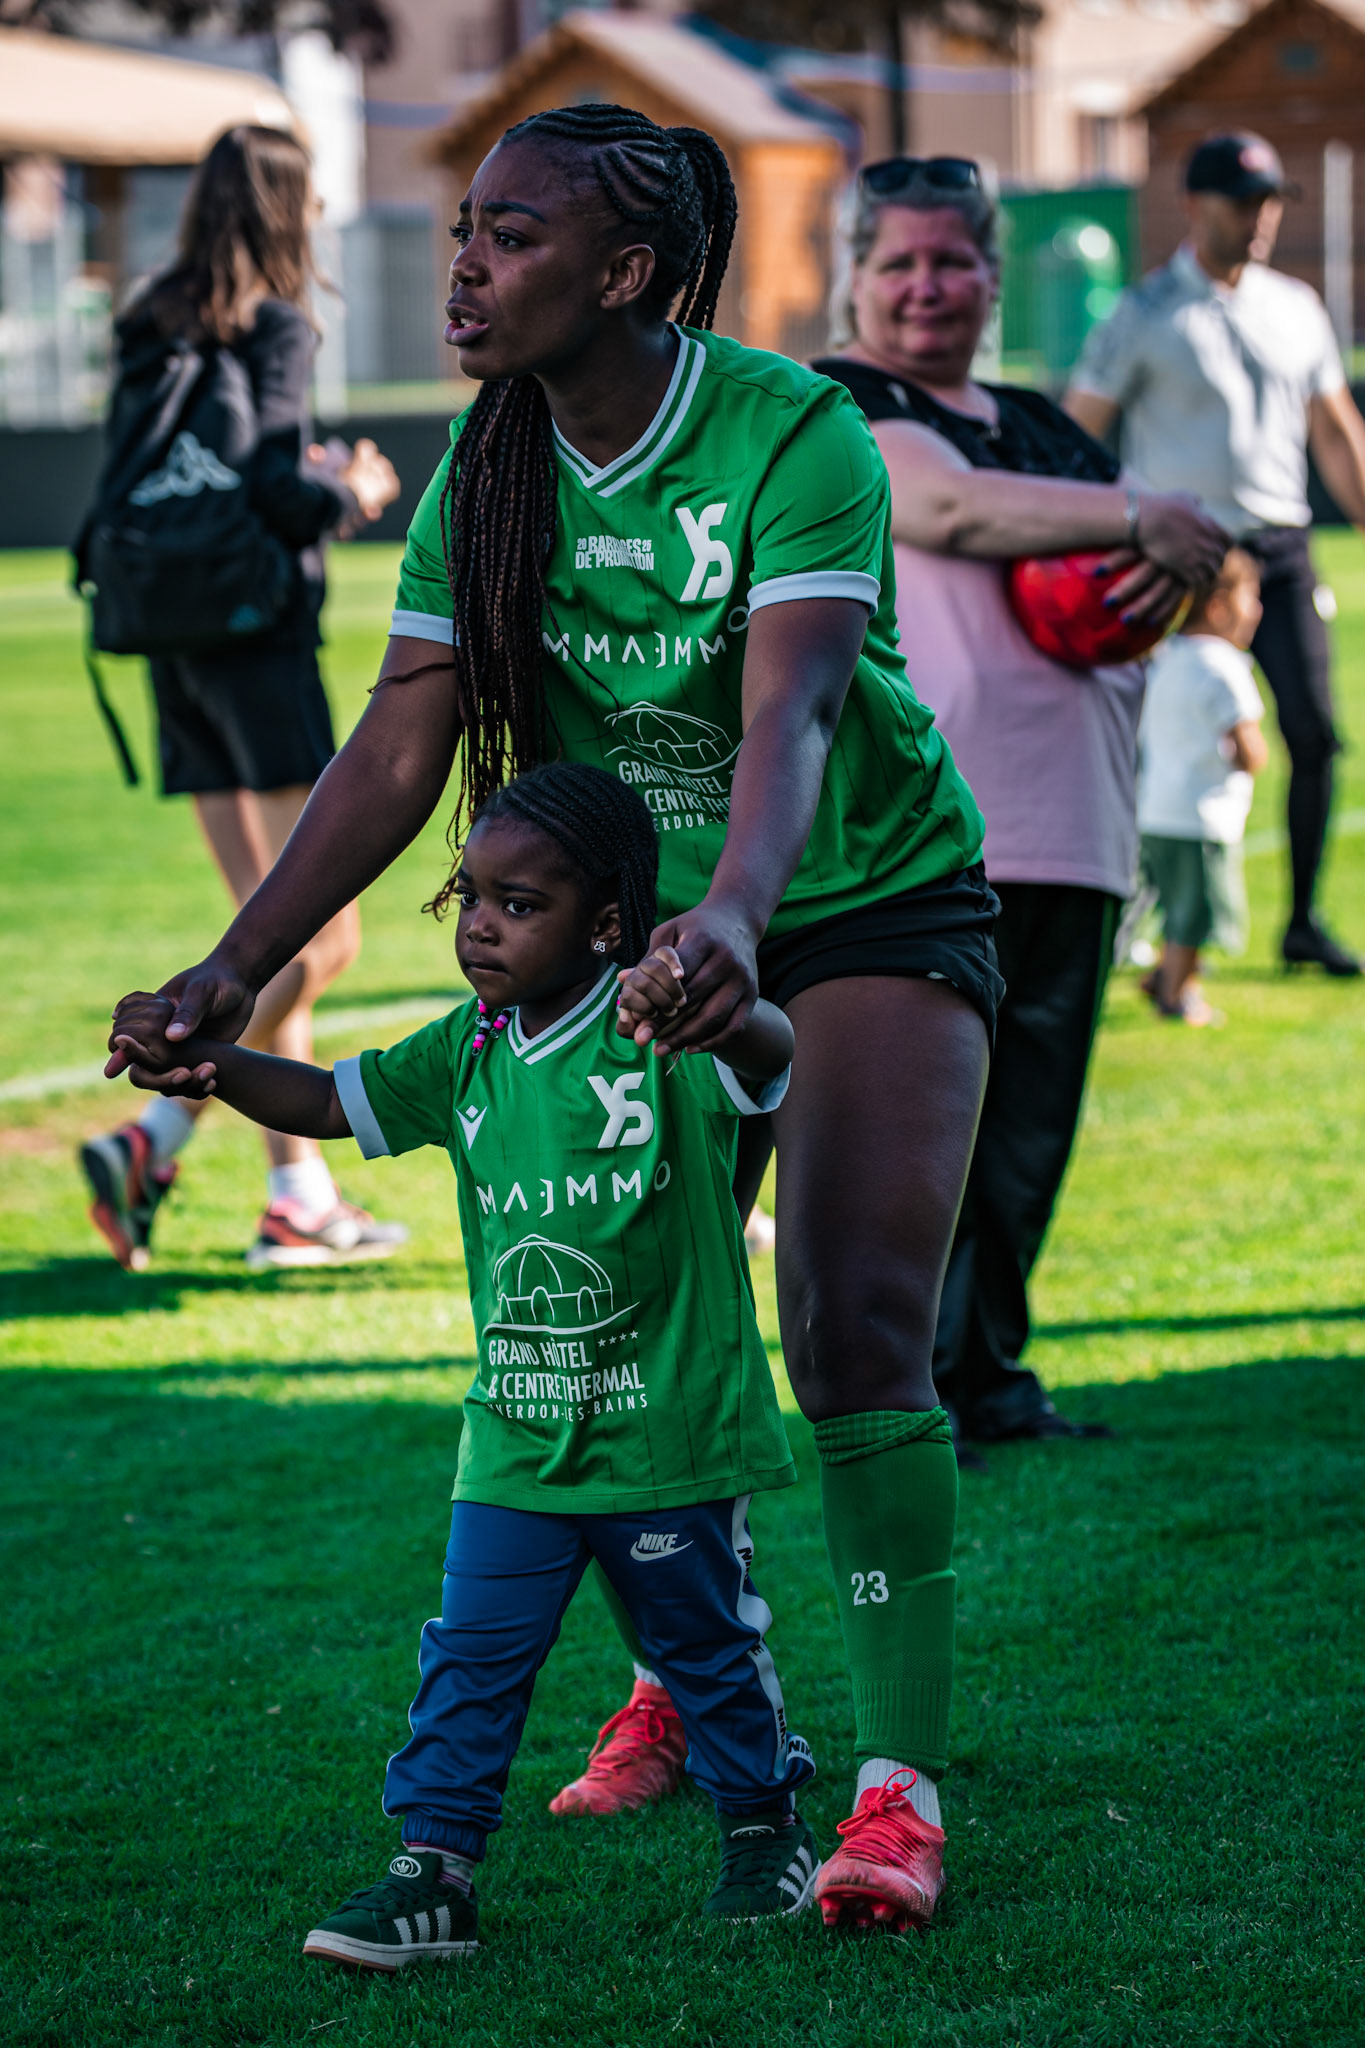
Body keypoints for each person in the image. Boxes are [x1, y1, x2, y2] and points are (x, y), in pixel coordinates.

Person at [108, 104, 1000, 1933]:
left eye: (512, 240)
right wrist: (236, 963)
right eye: (463, 233)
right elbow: (401, 737)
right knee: (645, 1313)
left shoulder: (791, 430)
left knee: (847, 1318)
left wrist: (739, 915)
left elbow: (800, 716)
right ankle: (698, 1684)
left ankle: (897, 1794)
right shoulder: (489, 462)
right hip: (656, 926)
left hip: (858, 896)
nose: (465, 269)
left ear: (627, 272)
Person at [110, 762, 829, 1961]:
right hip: (516, 1436)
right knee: (470, 1657)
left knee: (706, 1646)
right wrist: (209, 1066)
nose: (482, 925)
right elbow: (333, 1102)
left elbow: (771, 1054)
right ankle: (432, 1869)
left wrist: (726, 997)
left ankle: (765, 1822)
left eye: (519, 903)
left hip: (668, 1429)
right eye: (470, 898)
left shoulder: (664, 1031)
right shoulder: (468, 1049)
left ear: (606, 922)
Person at [809, 157, 1229, 1451]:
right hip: (927, 839)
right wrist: (1148, 514)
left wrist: (1192, 571)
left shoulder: (1046, 421)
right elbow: (946, 506)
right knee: (924, 1137)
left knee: (1027, 1140)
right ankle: (903, 1395)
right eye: (900, 263)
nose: (928, 286)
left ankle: (988, 1378)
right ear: (857, 280)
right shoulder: (839, 405)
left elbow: (1154, 579)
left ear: (994, 276)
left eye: (952, 261)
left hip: (1080, 827)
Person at [78, 124, 405, 1273]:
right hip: (256, 643)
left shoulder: (151, 315)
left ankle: (293, 1195)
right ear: (290, 206)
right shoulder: (277, 321)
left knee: (254, 937)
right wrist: (351, 485)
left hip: (169, 644)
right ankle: (154, 1125)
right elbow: (272, 483)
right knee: (315, 939)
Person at [1067, 131, 1365, 978]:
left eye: (1270, 199)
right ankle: (1125, 924)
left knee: (1313, 734)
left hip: (1279, 554)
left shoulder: (1295, 307)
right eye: (1244, 200)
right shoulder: (1143, 313)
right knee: (1149, 748)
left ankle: (1301, 921)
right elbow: (1079, 432)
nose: (1259, 216)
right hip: (1180, 559)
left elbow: (1337, 435)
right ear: (1194, 204)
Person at [1138, 548, 1268, 1025]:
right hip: (1204, 816)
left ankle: (1160, 975)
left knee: (1175, 905)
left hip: (1156, 810)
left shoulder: (1165, 655)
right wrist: (1253, 758)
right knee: (1198, 915)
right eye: (1251, 598)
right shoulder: (1226, 665)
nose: (1256, 611)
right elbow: (1249, 746)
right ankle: (1178, 994)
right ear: (1218, 606)